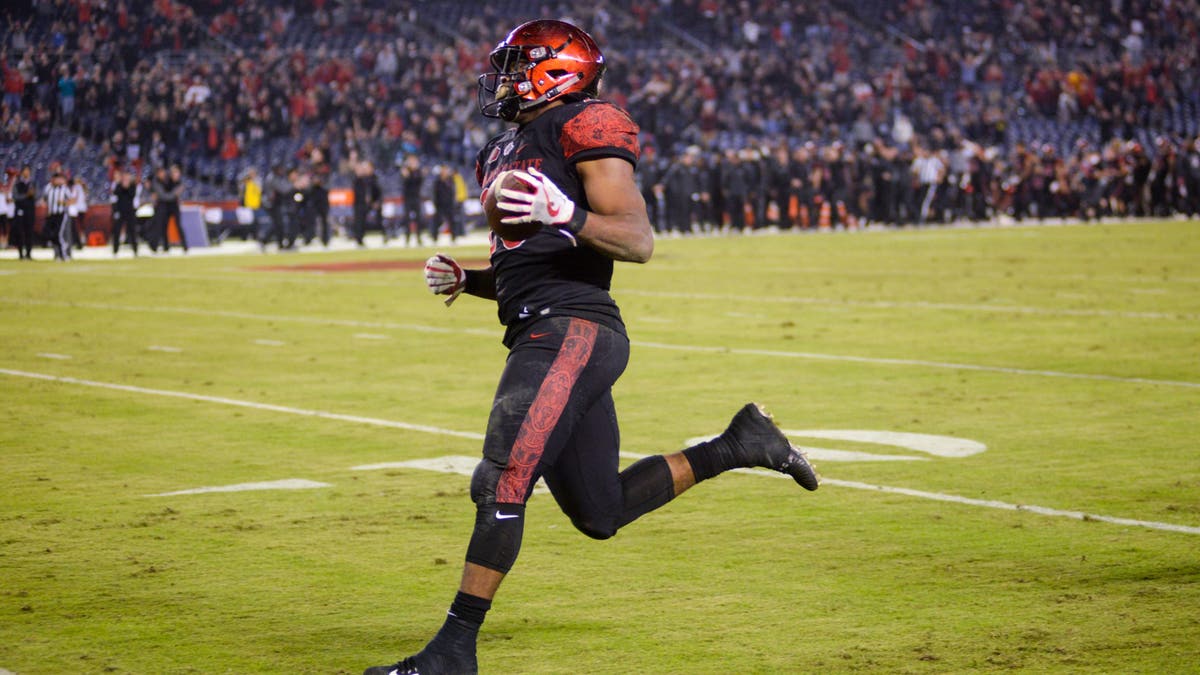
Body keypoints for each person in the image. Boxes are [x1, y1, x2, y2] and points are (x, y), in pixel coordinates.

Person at [363, 19, 818, 675]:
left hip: (572, 328)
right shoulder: (503, 148)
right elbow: (529, 266)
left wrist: (568, 215)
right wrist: (473, 280)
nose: (502, 79)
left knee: (501, 478)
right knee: (601, 510)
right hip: (543, 325)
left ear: (556, 72)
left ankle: (453, 651)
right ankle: (738, 444)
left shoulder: (586, 123)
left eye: (517, 66)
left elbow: (636, 239)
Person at [41, 170, 73, 261]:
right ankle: (60, 249)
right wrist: (45, 206)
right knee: (48, 234)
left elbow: (72, 200)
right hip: (51, 214)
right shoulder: (48, 188)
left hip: (60, 214)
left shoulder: (64, 189)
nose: (58, 181)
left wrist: (63, 202)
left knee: (58, 234)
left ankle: (63, 255)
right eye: (56, 179)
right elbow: (44, 199)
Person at [110, 167, 141, 256]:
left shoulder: (133, 186)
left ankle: (135, 250)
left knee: (132, 231)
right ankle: (115, 251)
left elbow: (133, 194)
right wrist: (122, 186)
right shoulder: (118, 185)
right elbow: (115, 194)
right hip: (120, 211)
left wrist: (127, 187)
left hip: (130, 211)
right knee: (117, 231)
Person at [12, 166, 36, 259]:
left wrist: (33, 194)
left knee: (29, 232)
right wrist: (26, 195)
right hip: (20, 211)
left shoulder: (33, 183)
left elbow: (38, 196)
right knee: (20, 232)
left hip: (30, 211)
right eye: (25, 171)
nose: (26, 172)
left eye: (28, 171)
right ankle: (21, 254)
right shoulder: (17, 183)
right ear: (22, 172)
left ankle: (29, 253)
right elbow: (15, 197)